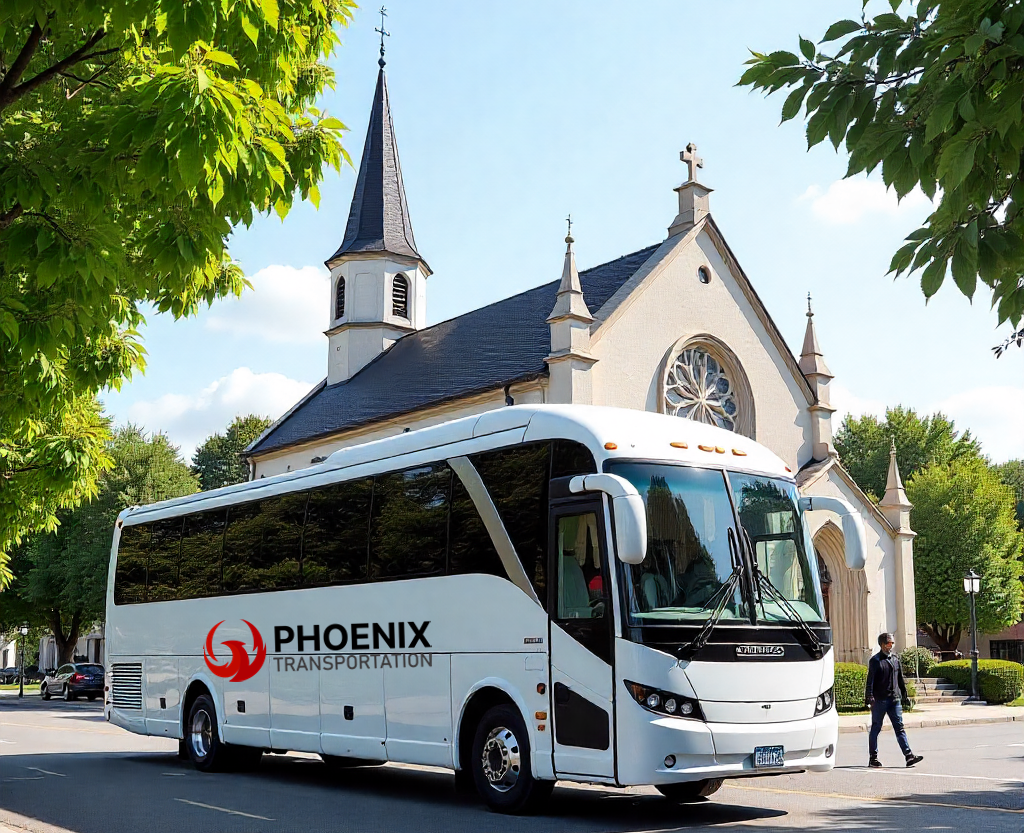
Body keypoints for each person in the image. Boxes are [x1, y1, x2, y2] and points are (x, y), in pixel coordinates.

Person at [866, 632, 924, 768]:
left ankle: (909, 756)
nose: (890, 646)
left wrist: (905, 696)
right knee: (876, 728)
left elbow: (900, 679)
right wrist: (869, 697)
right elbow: (870, 681)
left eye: (891, 643)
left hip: (894, 700)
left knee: (900, 728)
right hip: (880, 700)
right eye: (887, 643)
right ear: (881, 644)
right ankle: (873, 758)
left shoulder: (895, 659)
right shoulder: (875, 661)